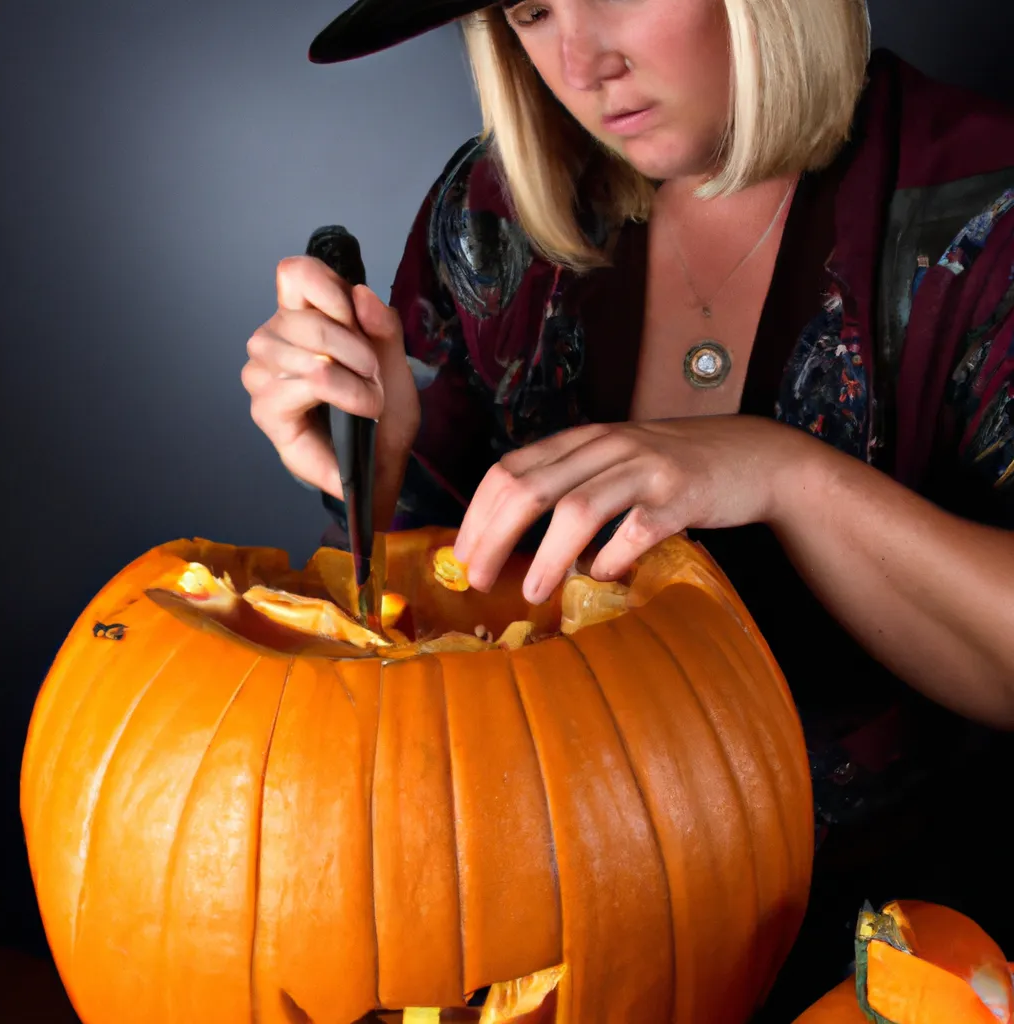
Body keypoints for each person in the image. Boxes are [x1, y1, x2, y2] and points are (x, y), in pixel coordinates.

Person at [242, 0, 1014, 1015]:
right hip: (538, 945)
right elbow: (431, 660)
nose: (582, 62)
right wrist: (375, 473)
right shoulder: (491, 213)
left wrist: (783, 474)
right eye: (531, 9)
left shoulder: (984, 211)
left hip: (896, 958)